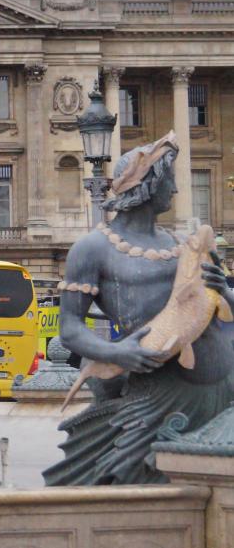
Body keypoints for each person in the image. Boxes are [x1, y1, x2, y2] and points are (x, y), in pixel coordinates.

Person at [44, 132, 234, 485]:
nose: (175, 192)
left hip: (223, 391)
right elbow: (70, 327)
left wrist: (225, 289)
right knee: (138, 484)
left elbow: (227, 312)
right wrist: (116, 352)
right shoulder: (93, 249)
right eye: (171, 183)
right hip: (159, 394)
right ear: (150, 185)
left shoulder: (185, 245)